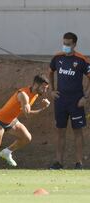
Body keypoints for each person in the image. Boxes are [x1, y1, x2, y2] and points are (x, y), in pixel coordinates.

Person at [49, 32, 90, 170]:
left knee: (77, 131)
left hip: (76, 102)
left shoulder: (81, 60)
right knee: (60, 131)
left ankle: (79, 163)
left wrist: (86, 97)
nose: (65, 46)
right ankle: (58, 162)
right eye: (64, 43)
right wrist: (52, 90)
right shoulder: (57, 58)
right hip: (60, 101)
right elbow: (50, 72)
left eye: (68, 44)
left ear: (74, 44)